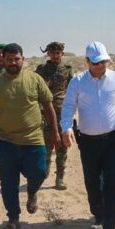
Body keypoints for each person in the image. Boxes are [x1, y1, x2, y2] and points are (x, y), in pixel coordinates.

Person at [0, 43, 59, 229]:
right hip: (5, 141)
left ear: (23, 59)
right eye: (9, 59)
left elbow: (48, 105)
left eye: (16, 59)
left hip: (33, 138)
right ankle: (13, 218)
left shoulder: (35, 79)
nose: (13, 63)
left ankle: (32, 192)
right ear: (3, 60)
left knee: (39, 173)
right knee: (8, 181)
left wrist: (55, 131)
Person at [61, 41, 115, 229]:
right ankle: (98, 214)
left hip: (114, 139)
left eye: (103, 62)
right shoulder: (77, 81)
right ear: (87, 61)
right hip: (89, 142)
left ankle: (109, 225)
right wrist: (66, 128)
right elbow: (68, 107)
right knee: (92, 181)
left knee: (112, 180)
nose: (101, 66)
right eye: (96, 63)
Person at [35, 41, 73, 190]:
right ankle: (44, 171)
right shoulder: (41, 70)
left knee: (62, 147)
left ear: (62, 53)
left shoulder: (67, 70)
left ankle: (60, 178)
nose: (56, 55)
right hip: (45, 113)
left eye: (58, 53)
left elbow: (72, 90)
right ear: (48, 54)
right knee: (45, 145)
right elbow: (35, 89)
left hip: (63, 113)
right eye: (53, 53)